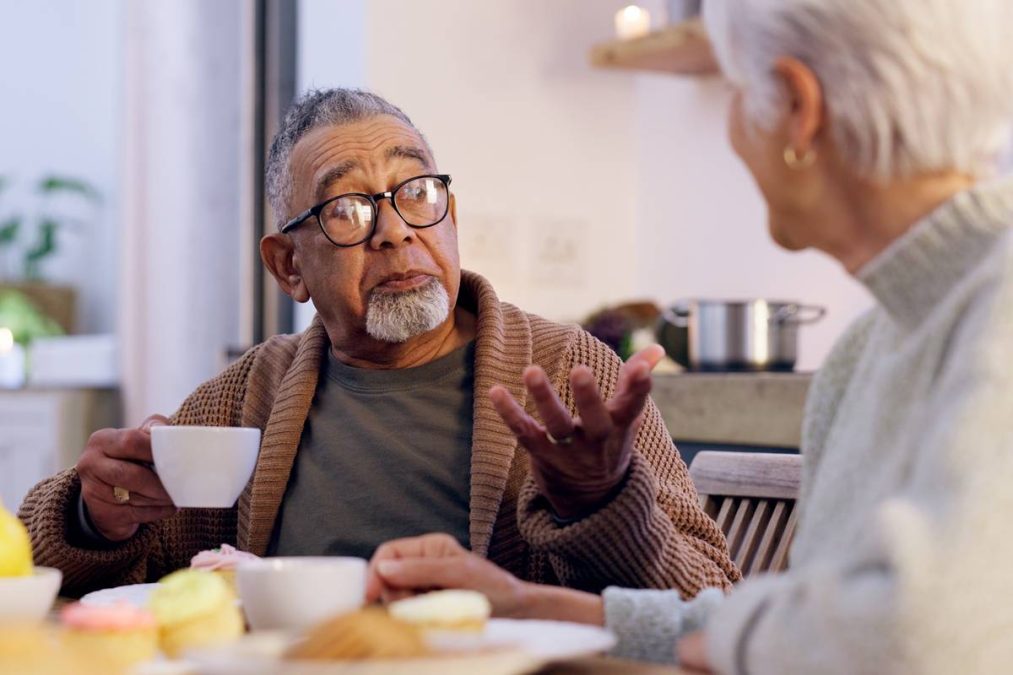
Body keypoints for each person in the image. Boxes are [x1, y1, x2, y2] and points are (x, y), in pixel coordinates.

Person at [365, 1, 1013, 672]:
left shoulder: (996, 312)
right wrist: (521, 604)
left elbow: (914, 637)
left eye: (736, 90)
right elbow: (804, 623)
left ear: (796, 107)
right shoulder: (866, 347)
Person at [17, 88, 738, 599]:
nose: (394, 230)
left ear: (450, 214)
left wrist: (601, 502)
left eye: (416, 192)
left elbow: (708, 604)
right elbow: (97, 582)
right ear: (288, 265)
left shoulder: (568, 372)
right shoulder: (246, 397)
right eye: (347, 209)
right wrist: (92, 517)